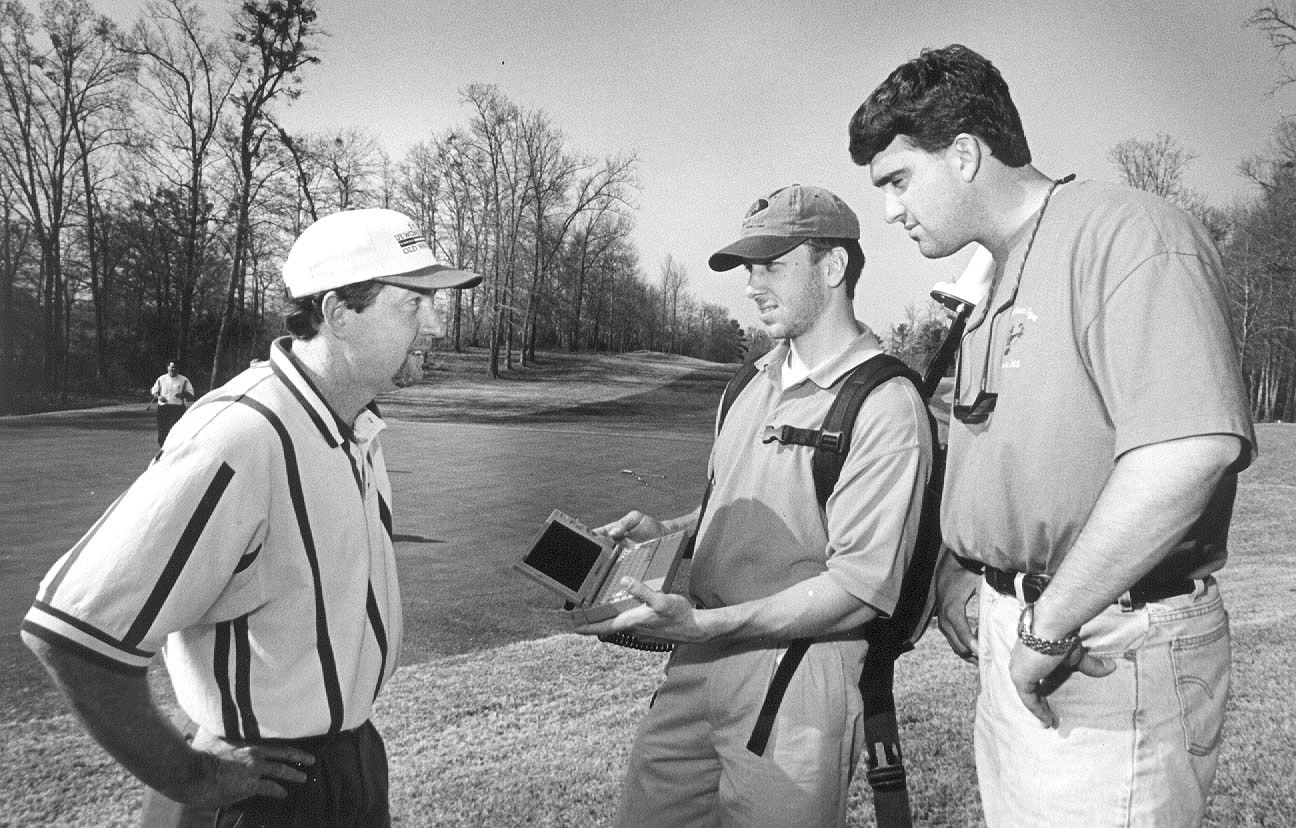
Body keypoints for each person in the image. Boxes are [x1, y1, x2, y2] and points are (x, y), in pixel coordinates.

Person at [848, 44, 1257, 828]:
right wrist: (965, 574)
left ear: (964, 153)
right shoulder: (992, 279)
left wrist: (1048, 620)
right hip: (1029, 637)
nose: (892, 211)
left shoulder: (1127, 232)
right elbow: (998, 452)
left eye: (898, 181)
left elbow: (1188, 453)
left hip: (1107, 645)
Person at [21, 207, 481, 828]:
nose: (435, 326)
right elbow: (71, 632)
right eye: (414, 304)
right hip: (262, 793)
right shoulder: (239, 435)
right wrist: (189, 776)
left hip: (351, 760)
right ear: (339, 314)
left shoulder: (356, 425)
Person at [574, 184, 933, 828]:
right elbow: (729, 502)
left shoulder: (883, 403)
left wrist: (706, 626)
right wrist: (674, 533)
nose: (751, 285)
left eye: (771, 265)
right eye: (747, 269)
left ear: (833, 267)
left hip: (799, 673)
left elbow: (858, 590)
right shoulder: (748, 380)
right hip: (698, 662)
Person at [150, 361, 195, 446]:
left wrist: (182, 395)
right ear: (167, 368)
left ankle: (175, 449)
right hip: (163, 408)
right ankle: (162, 449)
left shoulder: (184, 380)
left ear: (178, 369)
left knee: (176, 430)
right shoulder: (161, 379)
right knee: (162, 430)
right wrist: (159, 397)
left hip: (178, 408)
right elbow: (154, 391)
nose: (173, 369)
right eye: (172, 367)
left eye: (175, 367)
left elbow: (191, 393)